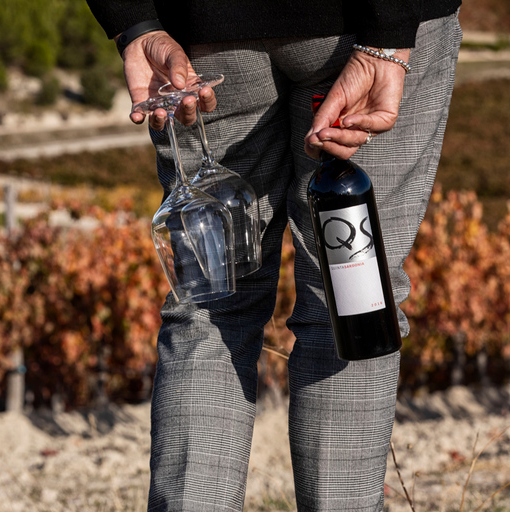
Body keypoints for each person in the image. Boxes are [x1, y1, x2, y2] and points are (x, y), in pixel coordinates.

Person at [85, 1, 462, 510]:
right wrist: (388, 36)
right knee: (351, 308)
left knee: (211, 307)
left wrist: (134, 21)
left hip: (202, 41)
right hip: (360, 22)